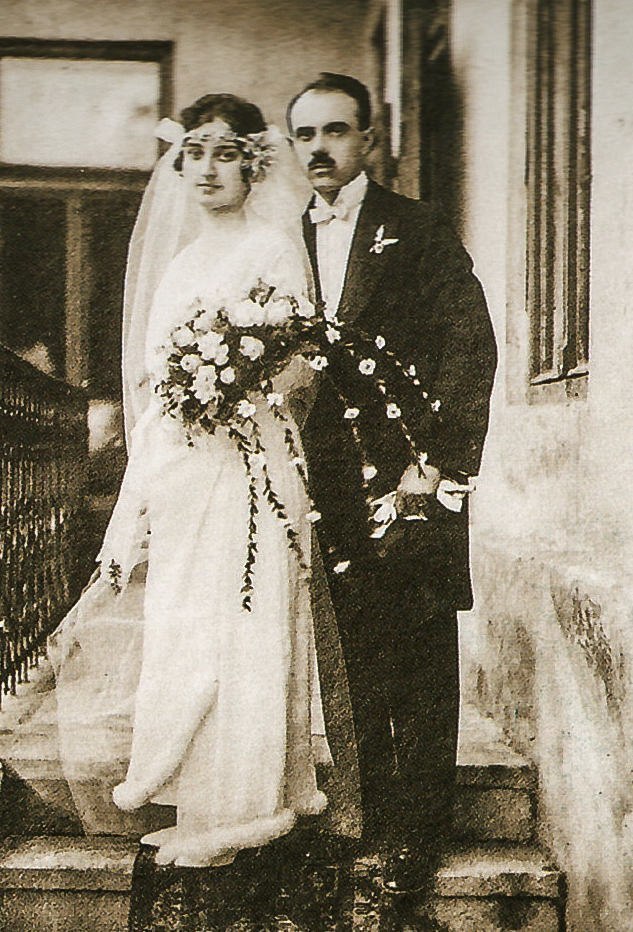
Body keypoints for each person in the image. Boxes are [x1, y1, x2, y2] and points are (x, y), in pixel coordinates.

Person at [49, 93, 352, 875]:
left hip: (254, 467)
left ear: (253, 164)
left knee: (244, 627)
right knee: (188, 631)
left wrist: (244, 393)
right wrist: (148, 483)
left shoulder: (274, 249)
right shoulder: (181, 263)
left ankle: (244, 807)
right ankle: (196, 796)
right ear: (180, 164)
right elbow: (155, 379)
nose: (209, 169)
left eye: (226, 153)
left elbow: (301, 361)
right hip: (188, 467)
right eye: (196, 154)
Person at [287, 73, 498, 893]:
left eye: (336, 132)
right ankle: (361, 822)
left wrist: (436, 465)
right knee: (351, 658)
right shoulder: (283, 242)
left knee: (416, 654)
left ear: (369, 140)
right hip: (326, 482)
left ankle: (415, 835)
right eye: (304, 135)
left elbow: (466, 347)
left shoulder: (413, 230)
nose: (320, 150)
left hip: (412, 474)